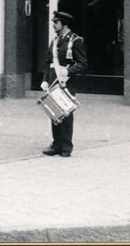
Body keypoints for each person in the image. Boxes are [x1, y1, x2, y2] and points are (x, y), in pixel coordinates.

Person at [41, 11, 87, 158]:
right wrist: (45, 80)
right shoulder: (54, 41)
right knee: (55, 113)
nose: (53, 25)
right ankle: (56, 145)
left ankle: (66, 147)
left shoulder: (76, 40)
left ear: (64, 23)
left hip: (67, 82)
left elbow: (83, 64)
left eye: (56, 22)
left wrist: (68, 72)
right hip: (54, 81)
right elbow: (49, 63)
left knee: (66, 114)